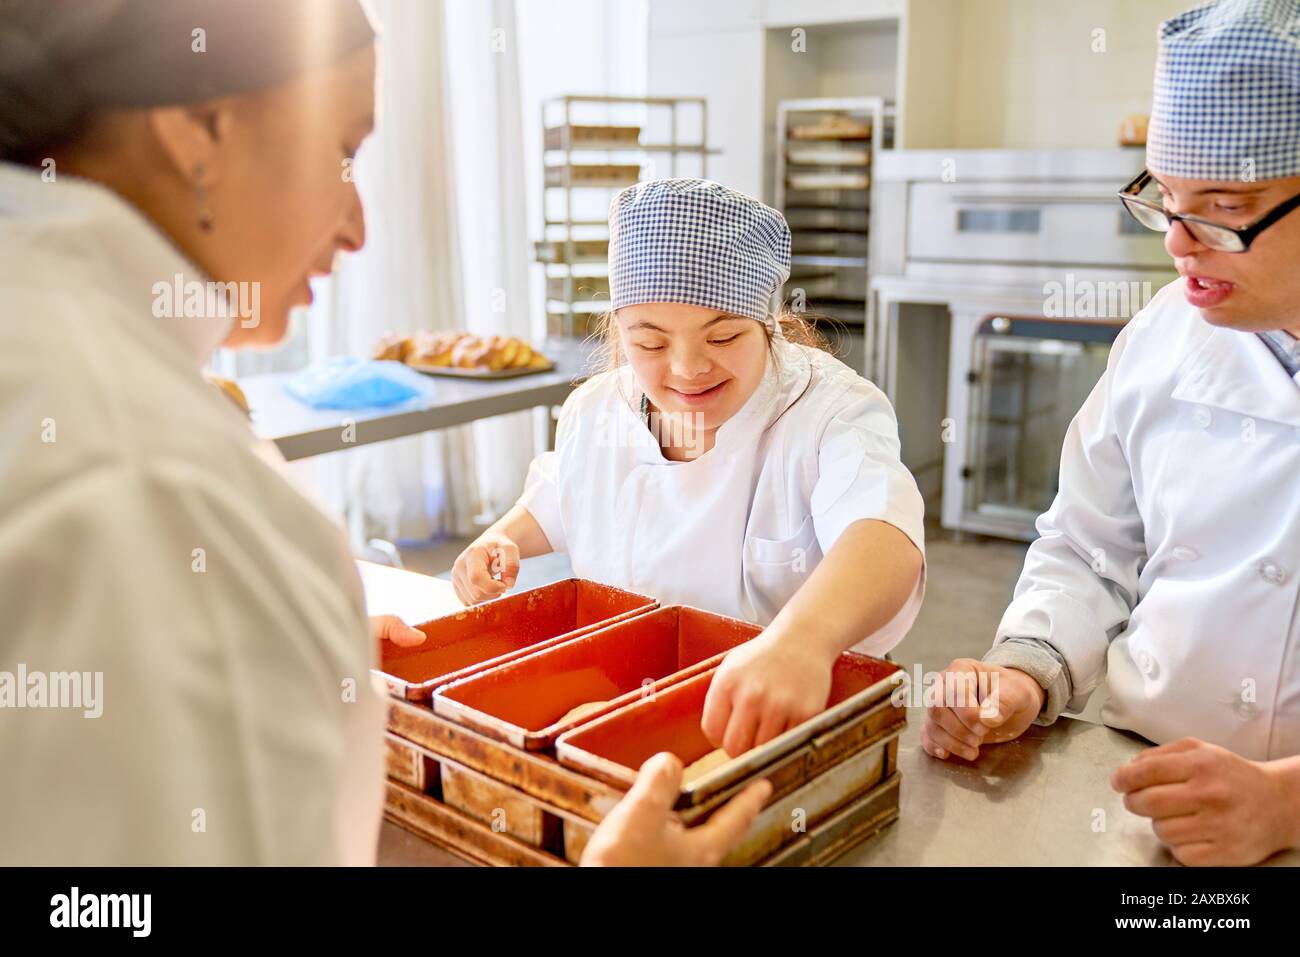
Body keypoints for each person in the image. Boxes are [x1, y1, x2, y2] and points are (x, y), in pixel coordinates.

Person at [0, 0, 764, 866]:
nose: (358, 225)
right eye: (341, 152)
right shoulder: (146, 482)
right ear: (197, 124)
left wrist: (277, 657)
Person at [922, 0, 1300, 866]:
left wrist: (1287, 804)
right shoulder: (1163, 336)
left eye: (1222, 206)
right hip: (1140, 797)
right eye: (1162, 198)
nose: (1176, 242)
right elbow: (1091, 551)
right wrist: (1026, 667)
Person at [453, 179, 926, 758]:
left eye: (723, 335)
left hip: (788, 730)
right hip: (626, 719)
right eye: (649, 344)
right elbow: (562, 493)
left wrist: (800, 642)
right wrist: (501, 539)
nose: (687, 367)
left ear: (768, 324)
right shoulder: (597, 411)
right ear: (619, 331)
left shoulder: (828, 411)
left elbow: (883, 533)